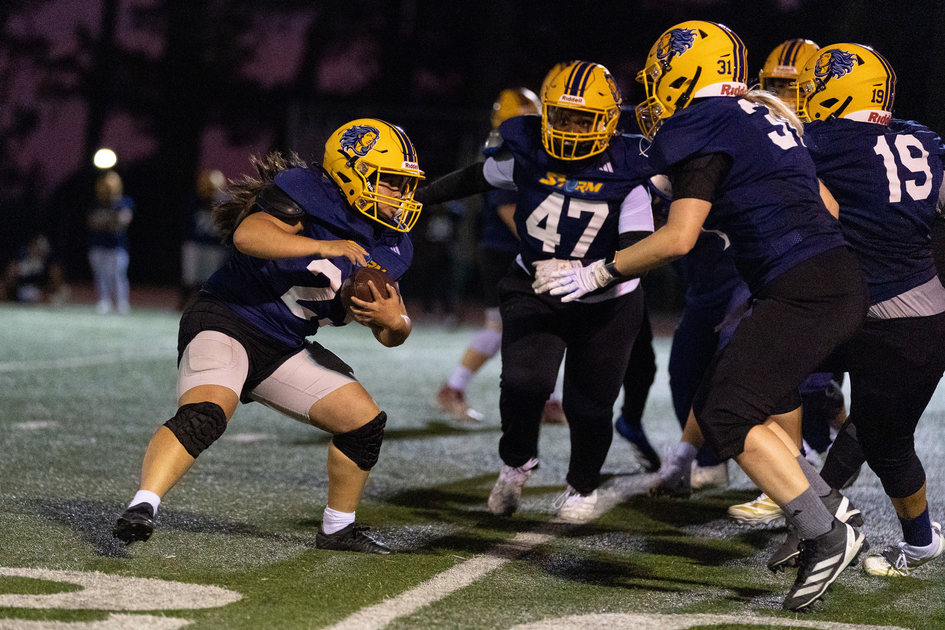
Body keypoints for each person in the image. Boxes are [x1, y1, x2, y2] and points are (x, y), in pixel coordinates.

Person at [535, 22, 868, 611]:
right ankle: (827, 508)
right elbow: (829, 207)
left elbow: (678, 238)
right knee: (724, 396)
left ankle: (825, 534)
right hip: (827, 278)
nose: (657, 87)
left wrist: (596, 272)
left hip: (802, 288)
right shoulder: (764, 116)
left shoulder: (702, 122)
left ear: (686, 70)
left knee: (727, 413)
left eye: (662, 72)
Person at [112, 118, 424, 554]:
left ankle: (338, 529)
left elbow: (394, 332)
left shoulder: (392, 241)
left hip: (284, 345)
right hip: (229, 318)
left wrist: (394, 322)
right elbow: (248, 234)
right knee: (206, 412)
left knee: (364, 423)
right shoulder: (309, 193)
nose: (400, 195)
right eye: (390, 181)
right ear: (352, 172)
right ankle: (143, 505)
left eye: (404, 184)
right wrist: (323, 245)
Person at [416, 61, 654, 523]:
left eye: (583, 118)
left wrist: (595, 273)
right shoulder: (525, 148)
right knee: (524, 383)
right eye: (562, 115)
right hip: (535, 283)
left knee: (589, 406)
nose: (570, 126)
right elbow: (474, 178)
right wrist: (416, 199)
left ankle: (582, 486)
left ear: (607, 121)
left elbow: (637, 246)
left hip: (610, 298)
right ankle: (516, 463)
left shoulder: (630, 167)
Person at [791, 43, 945, 577]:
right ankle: (821, 502)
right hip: (906, 313)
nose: (805, 97)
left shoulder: (826, 141)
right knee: (869, 419)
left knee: (886, 440)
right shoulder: (923, 138)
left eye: (814, 86)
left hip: (890, 321)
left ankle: (916, 540)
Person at [434, 87, 571, 425]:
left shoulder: (526, 152)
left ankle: (547, 400)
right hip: (506, 254)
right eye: (528, 117)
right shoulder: (505, 154)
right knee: (501, 329)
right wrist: (550, 247)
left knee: (548, 323)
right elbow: (511, 211)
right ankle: (453, 388)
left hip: (516, 252)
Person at [180, 169, 228, 309]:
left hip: (214, 245)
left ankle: (206, 305)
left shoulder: (225, 205)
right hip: (195, 243)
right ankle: (184, 302)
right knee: (189, 277)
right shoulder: (194, 201)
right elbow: (185, 224)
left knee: (209, 279)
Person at [87, 170, 133, 315]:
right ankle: (104, 301)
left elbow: (123, 220)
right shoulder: (95, 203)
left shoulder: (124, 201)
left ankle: (122, 303)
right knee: (101, 275)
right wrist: (111, 221)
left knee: (118, 274)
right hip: (98, 245)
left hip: (117, 246)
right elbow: (92, 222)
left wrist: (108, 222)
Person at [2, 234, 68, 305]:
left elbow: (53, 280)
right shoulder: (21, 261)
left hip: (41, 292)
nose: (37, 250)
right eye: (35, 247)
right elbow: (10, 278)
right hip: (20, 291)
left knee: (64, 290)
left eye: (40, 249)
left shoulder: (47, 264)